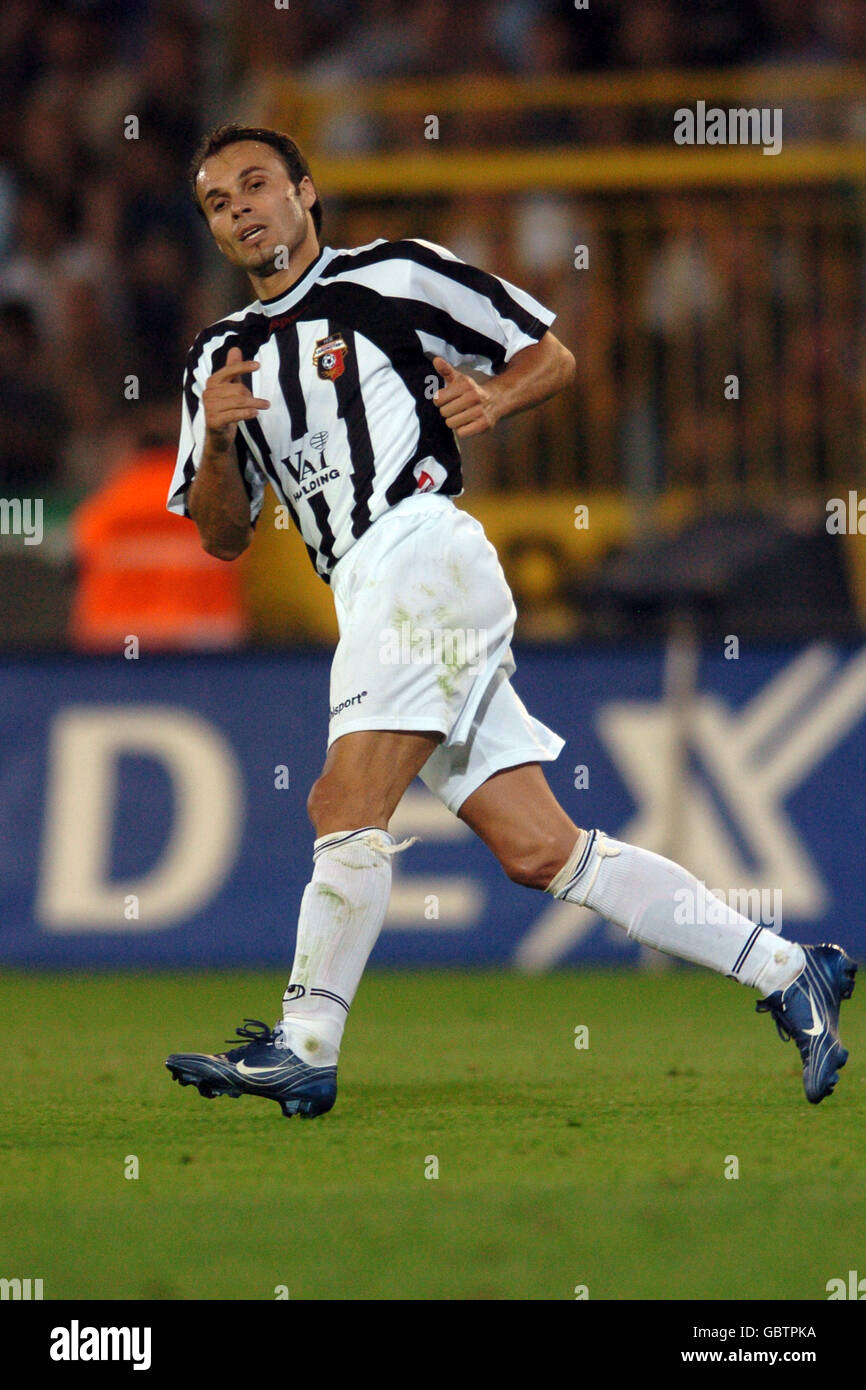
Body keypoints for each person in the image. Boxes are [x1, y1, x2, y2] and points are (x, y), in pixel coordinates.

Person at [165, 124, 855, 1117]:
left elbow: (552, 355)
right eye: (217, 200)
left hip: (420, 552)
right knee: (540, 851)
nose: (238, 207)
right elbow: (223, 537)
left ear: (305, 193)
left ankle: (304, 1043)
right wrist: (225, 445)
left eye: (256, 184)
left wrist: (493, 394)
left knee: (341, 800)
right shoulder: (214, 360)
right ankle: (788, 967)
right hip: (360, 585)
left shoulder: (394, 276)